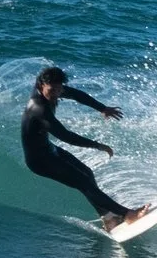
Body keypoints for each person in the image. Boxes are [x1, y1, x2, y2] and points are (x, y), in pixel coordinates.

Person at [22, 66, 137, 229]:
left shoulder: (53, 89)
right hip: (39, 161)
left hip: (49, 149)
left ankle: (110, 219)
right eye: (52, 90)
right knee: (84, 183)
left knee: (87, 174)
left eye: (59, 89)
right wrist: (97, 145)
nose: (56, 93)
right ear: (41, 85)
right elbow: (65, 136)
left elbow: (77, 95)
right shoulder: (39, 108)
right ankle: (127, 214)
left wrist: (102, 108)